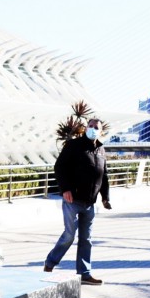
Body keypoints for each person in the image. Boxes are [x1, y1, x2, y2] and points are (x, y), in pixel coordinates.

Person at [44, 118, 112, 285]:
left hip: (90, 202)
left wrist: (105, 197)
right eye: (90, 126)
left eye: (96, 127)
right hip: (72, 199)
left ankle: (84, 274)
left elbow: (104, 175)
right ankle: (50, 263)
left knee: (86, 239)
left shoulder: (101, 150)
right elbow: (59, 167)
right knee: (69, 234)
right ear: (85, 128)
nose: (93, 129)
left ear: (101, 131)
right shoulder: (74, 145)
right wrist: (65, 189)